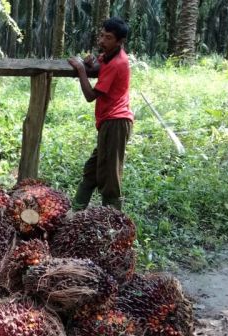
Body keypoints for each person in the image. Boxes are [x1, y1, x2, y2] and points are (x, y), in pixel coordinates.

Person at [67, 17, 134, 210]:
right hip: (109, 122)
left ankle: (112, 221)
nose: (102, 41)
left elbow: (90, 96)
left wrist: (81, 69)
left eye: (108, 38)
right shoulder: (109, 55)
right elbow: (98, 67)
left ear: (120, 41)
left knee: (110, 177)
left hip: (116, 122)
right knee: (91, 171)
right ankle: (75, 214)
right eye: (102, 35)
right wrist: (91, 63)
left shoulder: (118, 63)